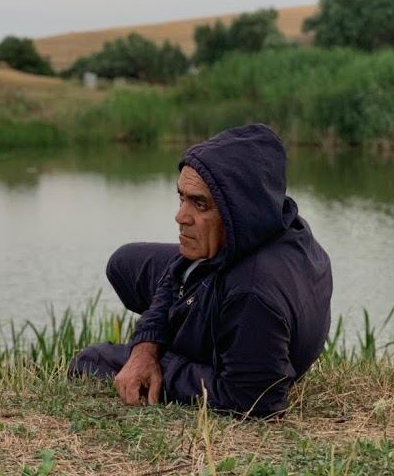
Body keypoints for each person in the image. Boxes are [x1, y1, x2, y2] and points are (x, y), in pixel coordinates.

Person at [69, 124, 333, 418]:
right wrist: (145, 346)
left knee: (91, 360)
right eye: (182, 197)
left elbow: (253, 401)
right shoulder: (274, 223)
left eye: (199, 204)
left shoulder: (252, 294)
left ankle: (192, 343)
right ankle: (178, 326)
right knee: (124, 264)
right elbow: (177, 270)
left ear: (239, 210)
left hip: (245, 323)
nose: (180, 216)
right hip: (226, 283)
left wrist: (166, 365)